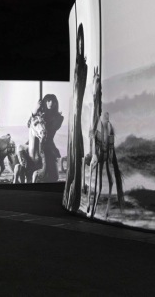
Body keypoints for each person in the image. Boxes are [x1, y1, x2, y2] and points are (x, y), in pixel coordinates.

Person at [64, 23, 88, 211]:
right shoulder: (77, 67)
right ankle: (70, 195)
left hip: (78, 115)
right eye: (78, 42)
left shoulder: (83, 68)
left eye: (81, 42)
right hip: (74, 116)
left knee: (78, 155)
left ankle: (75, 196)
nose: (79, 45)